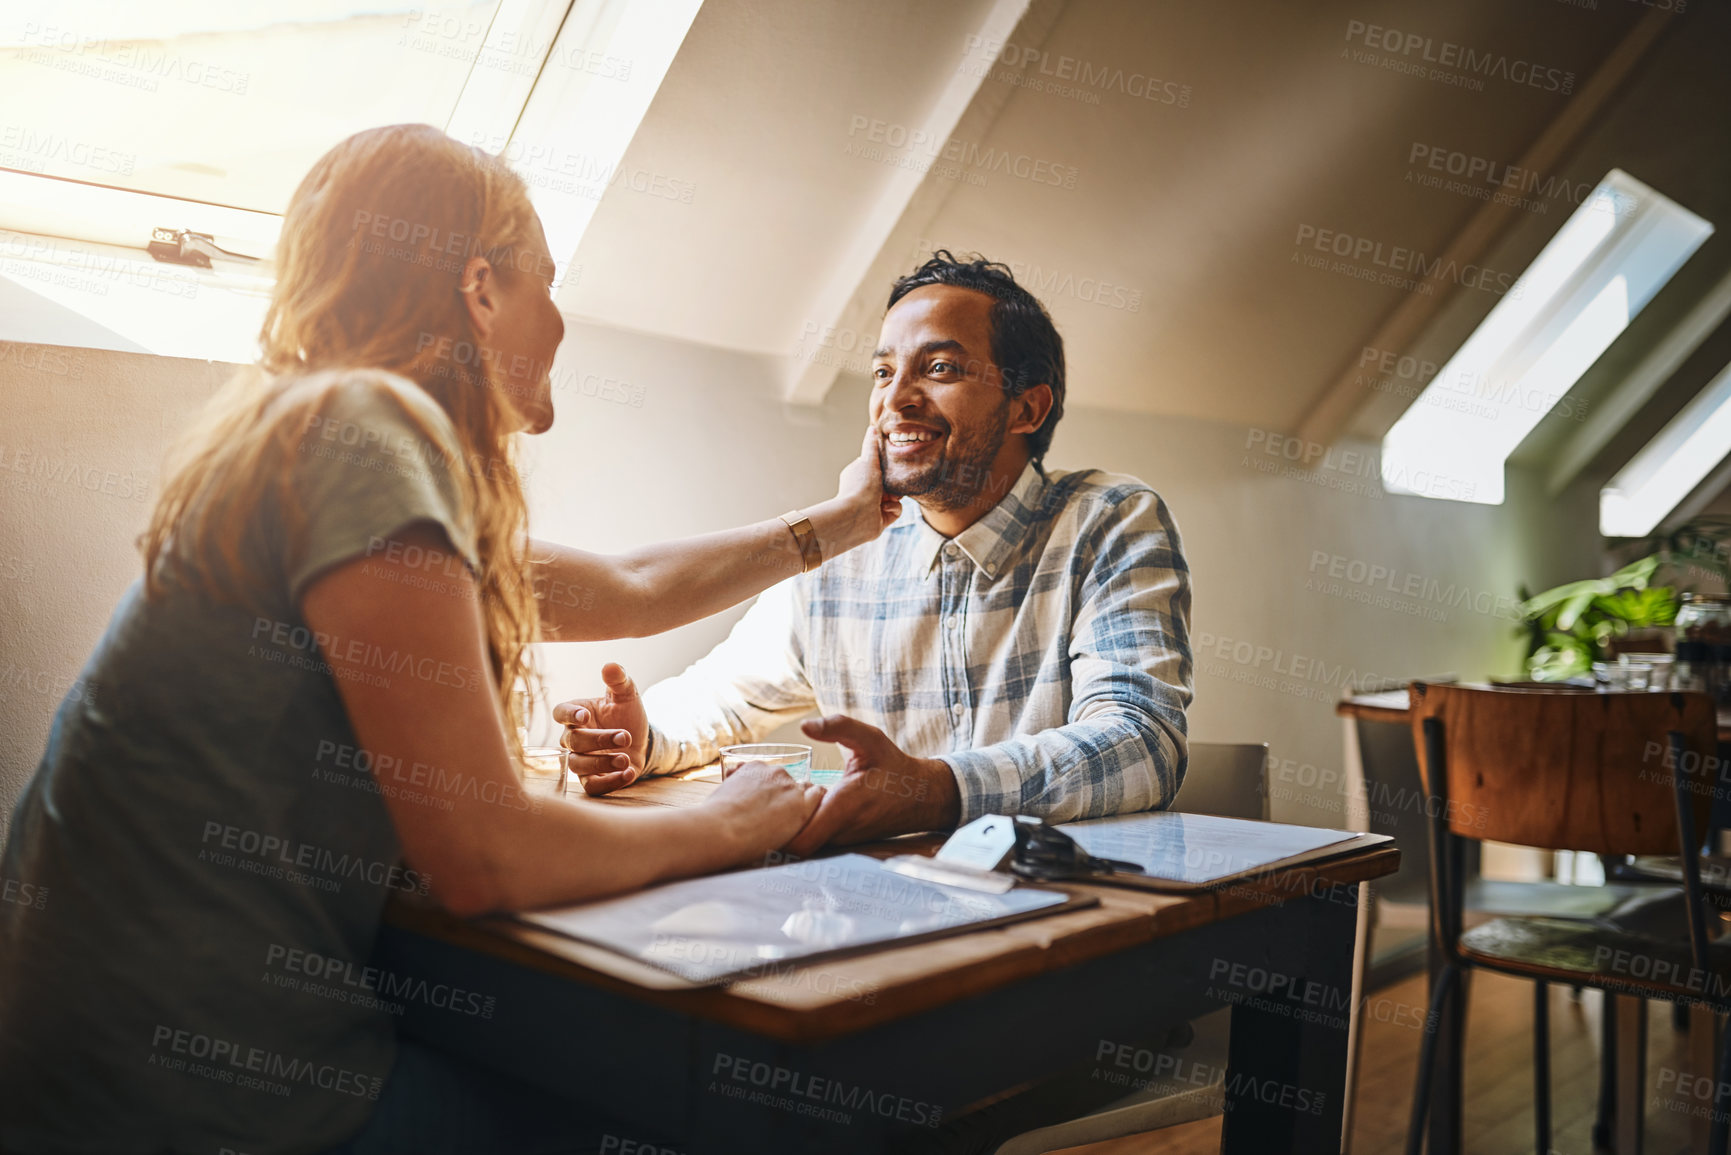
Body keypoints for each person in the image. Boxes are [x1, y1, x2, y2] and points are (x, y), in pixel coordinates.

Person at [0, 124, 900, 1155]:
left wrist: (848, 521)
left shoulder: (318, 428)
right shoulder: (367, 430)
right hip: (191, 1107)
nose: (560, 321)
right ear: (479, 288)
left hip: (87, 1074)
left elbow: (632, 588)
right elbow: (483, 857)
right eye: (545, 284)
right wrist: (735, 821)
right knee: (733, 1115)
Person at [558, 252, 1192, 855]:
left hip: (1068, 917)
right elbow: (725, 699)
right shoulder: (842, 557)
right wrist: (638, 738)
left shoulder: (1107, 520)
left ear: (1028, 407)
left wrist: (933, 791)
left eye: (939, 369)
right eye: (885, 372)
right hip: (880, 913)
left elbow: (1140, 743)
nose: (897, 399)